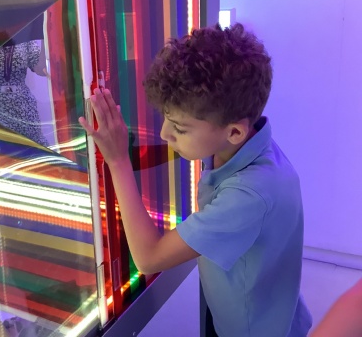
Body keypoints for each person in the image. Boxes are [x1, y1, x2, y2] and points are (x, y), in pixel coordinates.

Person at [79, 23, 313, 336]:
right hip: (260, 308)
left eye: (179, 128)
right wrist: (128, 148)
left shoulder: (249, 195)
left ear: (234, 131)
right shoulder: (244, 141)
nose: (164, 133)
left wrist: (118, 160)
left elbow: (149, 258)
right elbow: (190, 146)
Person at [0, 40, 49, 146]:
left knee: (36, 150)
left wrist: (44, 40)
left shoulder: (25, 39)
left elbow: (41, 70)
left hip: (24, 109)